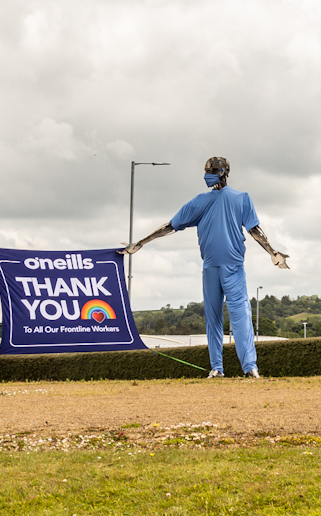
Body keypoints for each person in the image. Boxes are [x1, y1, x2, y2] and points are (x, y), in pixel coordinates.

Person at [122, 157, 289, 377]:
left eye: (212, 171)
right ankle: (217, 368)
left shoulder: (240, 198)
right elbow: (171, 225)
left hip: (232, 267)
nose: (207, 175)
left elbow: (254, 229)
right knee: (214, 319)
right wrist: (141, 242)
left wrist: (272, 251)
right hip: (211, 267)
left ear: (223, 172)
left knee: (240, 319)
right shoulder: (201, 201)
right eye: (206, 171)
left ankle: (250, 368)